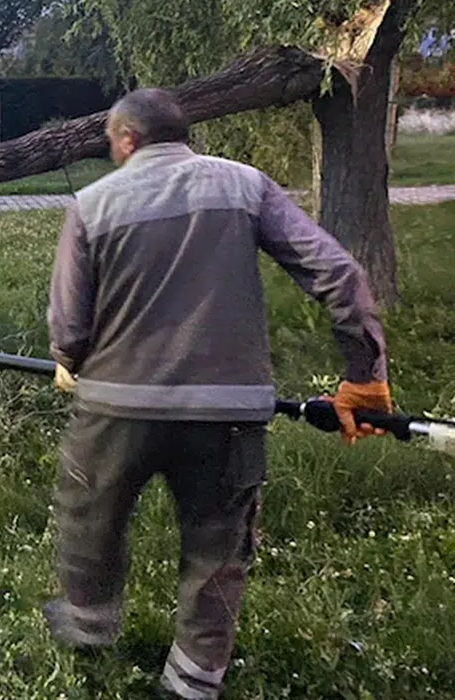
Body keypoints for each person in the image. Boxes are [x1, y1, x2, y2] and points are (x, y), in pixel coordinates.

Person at [43, 88, 392, 700]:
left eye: (112, 143)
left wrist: (69, 361)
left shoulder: (92, 204)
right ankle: (194, 680)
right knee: (218, 548)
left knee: (90, 516)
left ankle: (88, 627)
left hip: (115, 410)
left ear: (127, 139)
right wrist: (364, 374)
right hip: (227, 414)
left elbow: (69, 326)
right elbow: (338, 273)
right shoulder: (246, 186)